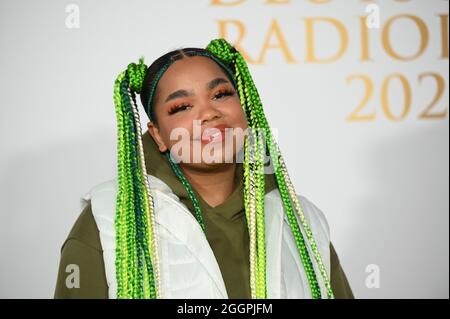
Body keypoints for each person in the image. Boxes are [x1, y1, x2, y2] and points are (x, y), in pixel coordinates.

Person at [54, 38, 354, 299]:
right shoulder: (108, 220)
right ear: (157, 135)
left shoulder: (303, 221)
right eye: (182, 107)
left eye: (221, 94)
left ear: (245, 108)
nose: (209, 113)